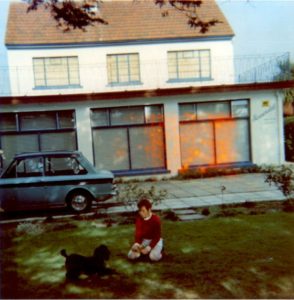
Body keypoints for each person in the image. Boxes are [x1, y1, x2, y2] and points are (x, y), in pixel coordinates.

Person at [128, 198, 163, 262]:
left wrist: (149, 247)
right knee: (131, 256)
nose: (141, 213)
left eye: (143, 211)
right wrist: (136, 244)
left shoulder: (156, 220)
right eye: (140, 211)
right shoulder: (139, 219)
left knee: (154, 257)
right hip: (144, 240)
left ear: (149, 210)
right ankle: (143, 254)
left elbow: (157, 237)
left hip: (155, 240)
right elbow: (138, 234)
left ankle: (159, 251)